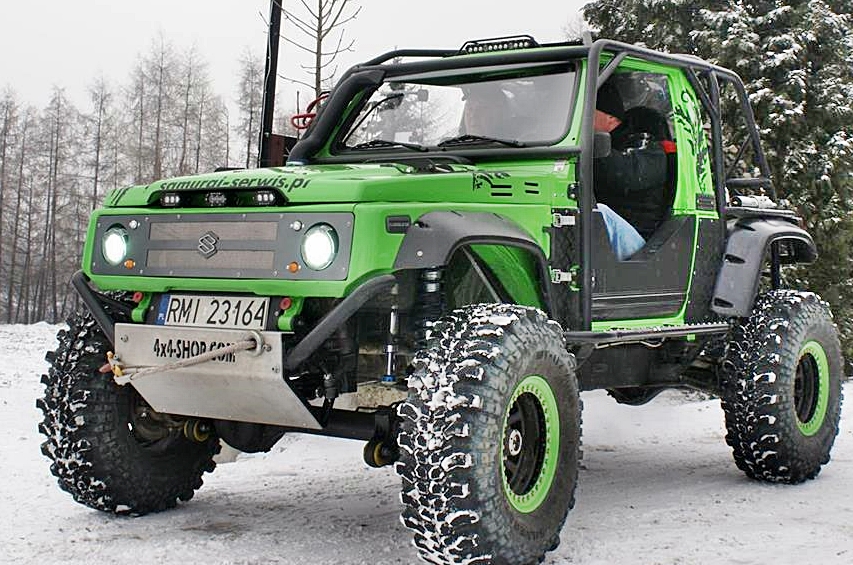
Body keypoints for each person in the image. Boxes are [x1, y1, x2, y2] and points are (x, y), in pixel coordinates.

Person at [593, 81, 669, 260]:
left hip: (641, 243)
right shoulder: (607, 145)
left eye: (589, 112)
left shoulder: (647, 146)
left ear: (610, 117)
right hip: (610, 241)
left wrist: (590, 142)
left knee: (599, 214)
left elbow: (627, 175)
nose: (582, 118)